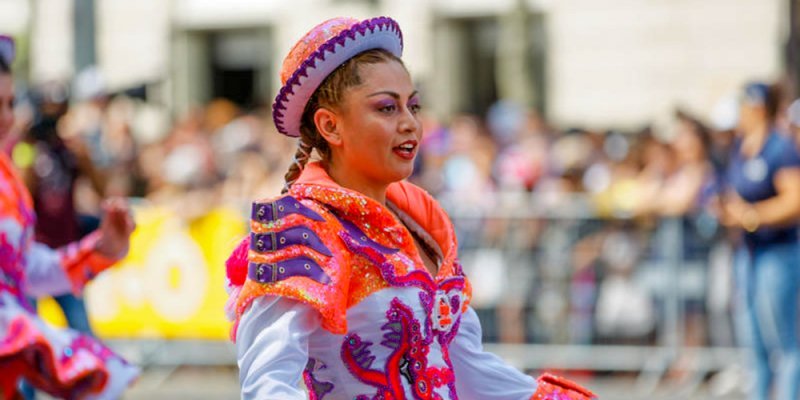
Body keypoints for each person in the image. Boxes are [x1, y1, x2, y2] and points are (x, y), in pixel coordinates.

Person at [225, 17, 596, 399]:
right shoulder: (301, 230)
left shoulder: (425, 225)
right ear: (330, 127)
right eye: (386, 108)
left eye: (413, 106)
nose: (410, 124)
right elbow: (268, 385)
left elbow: (465, 365)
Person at [0, 34, 139, 399]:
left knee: (73, 337)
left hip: (49, 256)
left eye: (10, 103)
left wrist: (100, 248)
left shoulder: (10, 174)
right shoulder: (21, 158)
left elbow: (20, 265)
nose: (6, 118)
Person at [719, 82, 800, 400]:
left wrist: (753, 216)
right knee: (754, 345)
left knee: (784, 344)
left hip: (778, 253)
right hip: (750, 254)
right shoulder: (741, 146)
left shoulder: (779, 147)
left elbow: (795, 200)